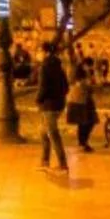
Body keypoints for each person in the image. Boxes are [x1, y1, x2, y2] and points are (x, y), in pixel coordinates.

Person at [35, 43, 70, 173]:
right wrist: (58, 96)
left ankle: (63, 165)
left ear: (45, 52)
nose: (37, 54)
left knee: (52, 134)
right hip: (59, 104)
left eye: (39, 51)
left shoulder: (44, 67)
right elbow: (66, 87)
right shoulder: (59, 67)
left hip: (48, 106)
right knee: (43, 132)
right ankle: (44, 161)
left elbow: (43, 88)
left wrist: (38, 100)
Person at [66, 63, 98, 152]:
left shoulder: (76, 80)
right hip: (82, 103)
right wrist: (91, 78)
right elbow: (92, 89)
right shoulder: (82, 81)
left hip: (80, 103)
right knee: (86, 123)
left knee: (84, 124)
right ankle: (83, 143)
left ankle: (83, 143)